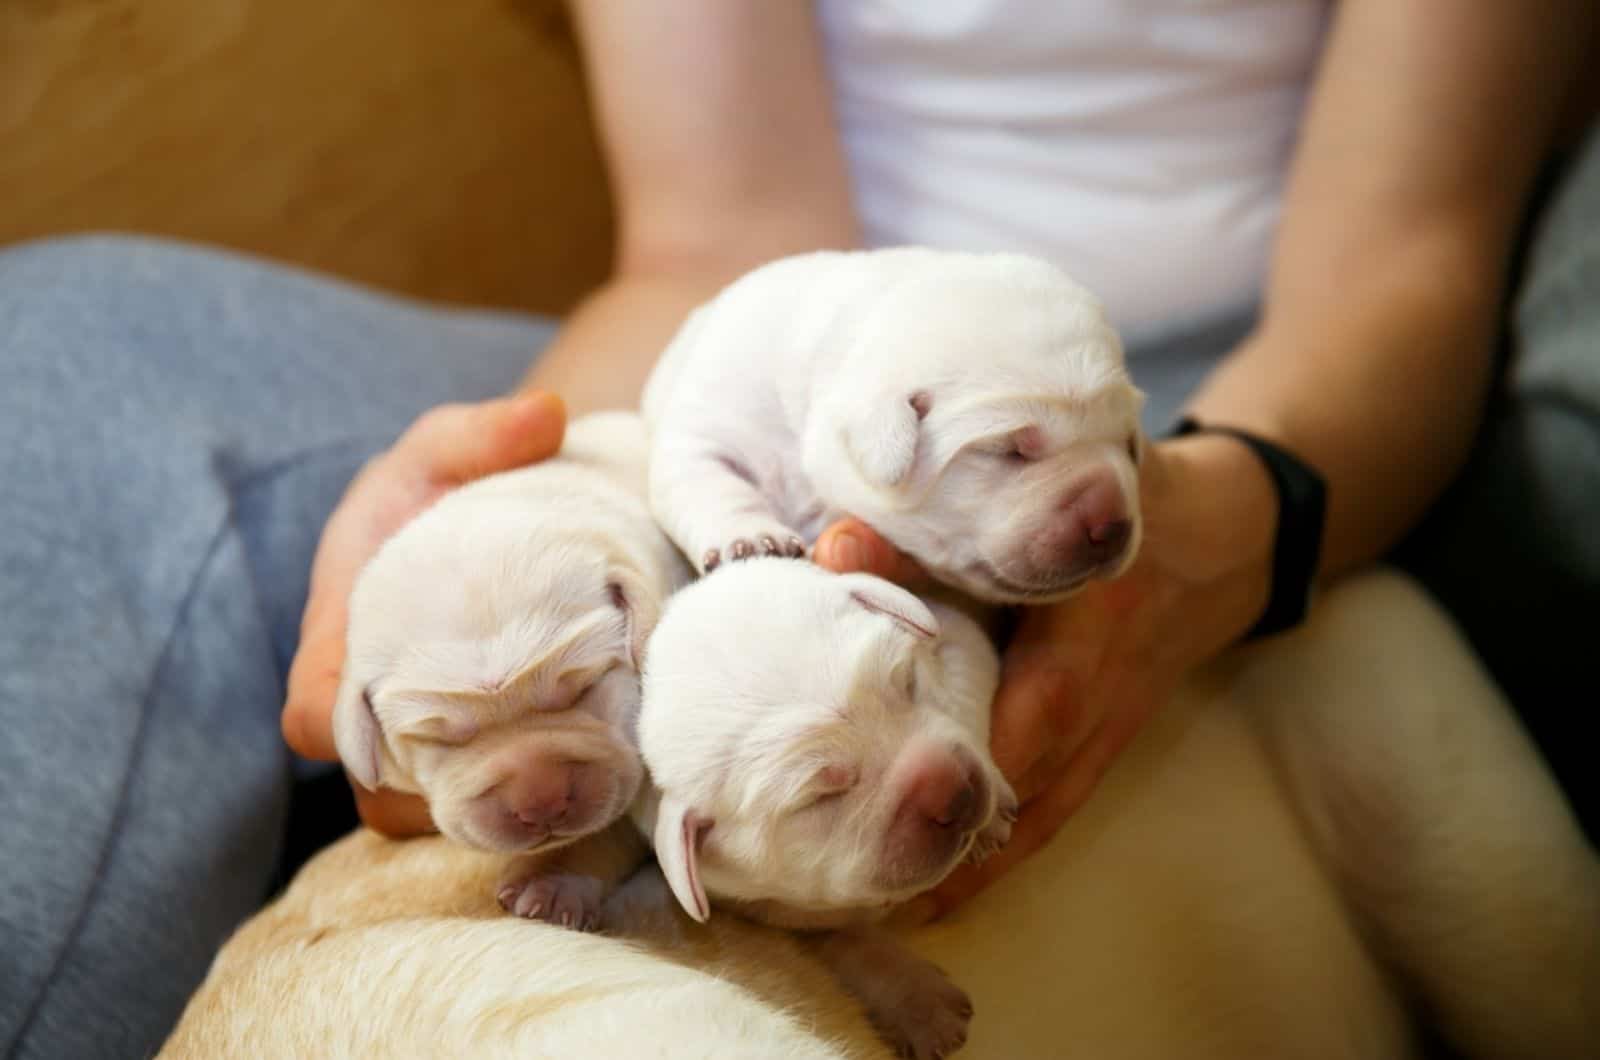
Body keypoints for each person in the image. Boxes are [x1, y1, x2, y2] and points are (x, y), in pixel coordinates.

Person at [1, 2, 1595, 1057]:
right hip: (766, 377)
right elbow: (714, 235)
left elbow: (1404, 261)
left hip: (1207, 386)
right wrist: (535, 517)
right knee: (55, 374)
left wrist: (1221, 520)